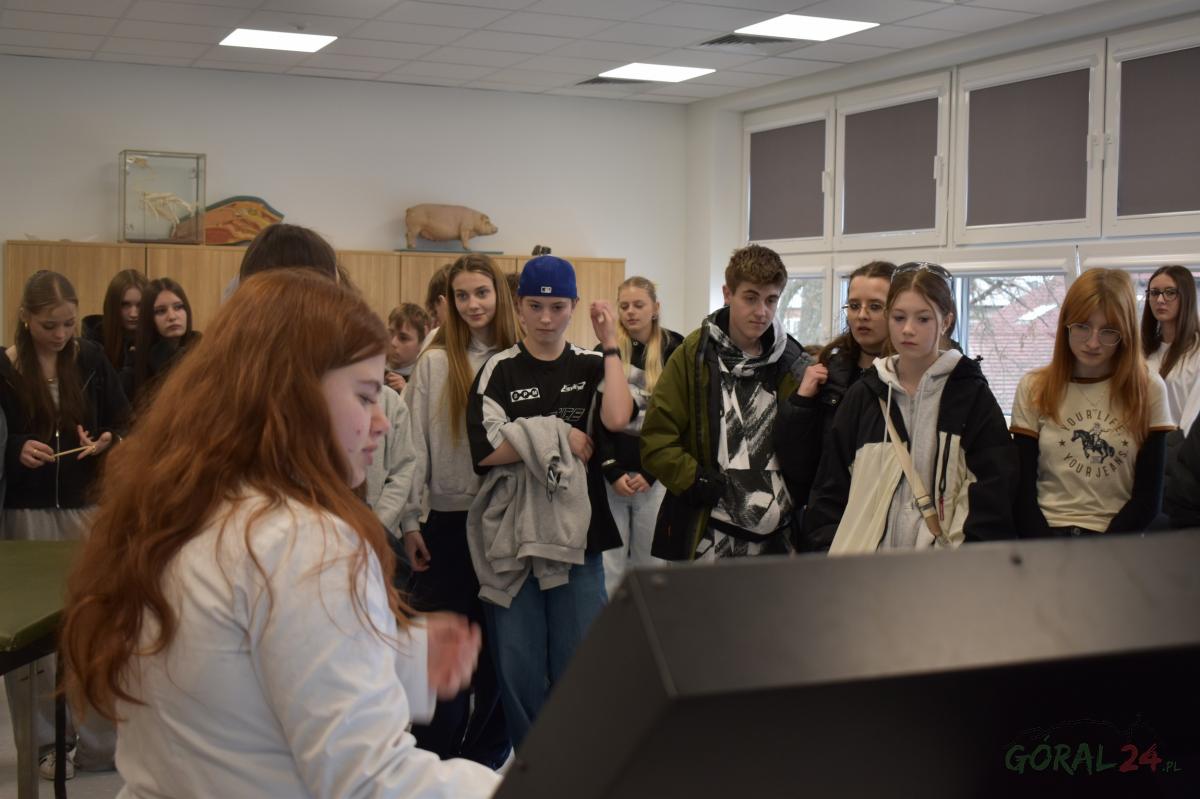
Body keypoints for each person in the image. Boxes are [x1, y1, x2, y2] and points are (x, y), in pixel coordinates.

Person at [59, 270, 499, 798]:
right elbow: (369, 781)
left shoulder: (178, 508)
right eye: (365, 396)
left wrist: (392, 658)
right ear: (293, 398)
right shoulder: (303, 539)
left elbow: (235, 677)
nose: (381, 422)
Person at [466, 254, 633, 748]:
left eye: (557, 307)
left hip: (579, 538)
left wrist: (609, 343)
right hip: (514, 541)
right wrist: (559, 433)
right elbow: (486, 450)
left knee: (579, 665)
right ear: (518, 307)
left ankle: (576, 767)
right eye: (535, 307)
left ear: (573, 307)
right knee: (519, 669)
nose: (545, 319)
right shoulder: (498, 370)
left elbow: (617, 418)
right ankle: (531, 768)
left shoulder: (590, 363)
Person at [0, 270, 129, 779]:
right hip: (24, 517)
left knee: (93, 629)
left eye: (69, 324)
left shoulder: (92, 360)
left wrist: (106, 441)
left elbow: (122, 422)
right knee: (35, 645)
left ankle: (100, 743)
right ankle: (45, 747)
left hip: (85, 513)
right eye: (49, 325)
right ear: (25, 319)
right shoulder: (4, 369)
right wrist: (14, 449)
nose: (60, 334)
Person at [802, 263, 1017, 552]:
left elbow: (993, 492)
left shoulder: (971, 395)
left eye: (923, 319)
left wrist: (965, 563)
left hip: (943, 570)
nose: (907, 329)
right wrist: (831, 552)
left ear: (946, 321)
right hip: (865, 569)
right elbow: (830, 489)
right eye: (899, 317)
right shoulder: (863, 395)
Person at [401, 253, 519, 767]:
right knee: (441, 655)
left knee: (500, 655)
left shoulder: (519, 359)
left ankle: (482, 764)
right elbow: (413, 447)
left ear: (499, 296)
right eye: (462, 295)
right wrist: (410, 521)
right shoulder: (433, 363)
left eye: (482, 293)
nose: (473, 304)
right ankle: (429, 763)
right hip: (446, 523)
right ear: (449, 302)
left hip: (507, 522)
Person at [641, 244, 808, 562]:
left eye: (771, 300)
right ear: (727, 294)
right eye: (750, 298)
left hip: (779, 540)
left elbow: (806, 443)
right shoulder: (692, 356)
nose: (761, 311)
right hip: (710, 537)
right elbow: (656, 440)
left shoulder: (792, 361)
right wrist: (697, 481)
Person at [1011, 268, 1173, 537]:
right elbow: (1022, 496)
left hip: (1116, 538)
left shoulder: (1148, 388)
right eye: (1082, 327)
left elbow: (1147, 501)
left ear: (1125, 333)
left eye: (1108, 331)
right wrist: (1048, 549)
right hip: (1047, 534)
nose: (1093, 342)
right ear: (1066, 325)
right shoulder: (1034, 386)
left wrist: (1100, 551)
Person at [595, 276, 682, 595]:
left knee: (652, 566)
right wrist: (611, 469)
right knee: (610, 568)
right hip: (613, 477)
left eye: (638, 305)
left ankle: (650, 626)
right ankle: (611, 625)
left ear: (655, 308)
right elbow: (597, 419)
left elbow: (681, 421)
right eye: (624, 306)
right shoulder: (605, 350)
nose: (630, 312)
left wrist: (652, 471)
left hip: (655, 477)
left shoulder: (676, 349)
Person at [784, 260, 895, 506]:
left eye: (875, 306)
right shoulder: (828, 372)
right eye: (854, 306)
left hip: (884, 509)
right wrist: (801, 402)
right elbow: (798, 462)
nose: (862, 315)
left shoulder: (909, 376)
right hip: (830, 512)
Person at [1141, 264, 1200, 432]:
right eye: (1154, 293)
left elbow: (1192, 419)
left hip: (1182, 444)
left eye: (1170, 292)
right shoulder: (1143, 350)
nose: (1160, 300)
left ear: (1186, 297)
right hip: (1143, 440)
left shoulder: (1196, 351)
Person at [125, 277, 201, 404]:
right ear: (149, 318)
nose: (172, 316)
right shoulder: (135, 367)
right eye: (161, 311)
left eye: (178, 307)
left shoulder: (204, 352)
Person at [82, 269, 148, 372]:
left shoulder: (158, 343)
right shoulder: (93, 345)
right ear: (112, 305)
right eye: (125, 305)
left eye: (140, 305)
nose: (133, 314)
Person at [386, 303, 431, 394]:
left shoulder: (424, 381)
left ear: (422, 342)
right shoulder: (373, 367)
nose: (393, 342)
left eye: (403, 338)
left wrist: (407, 393)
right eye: (391, 333)